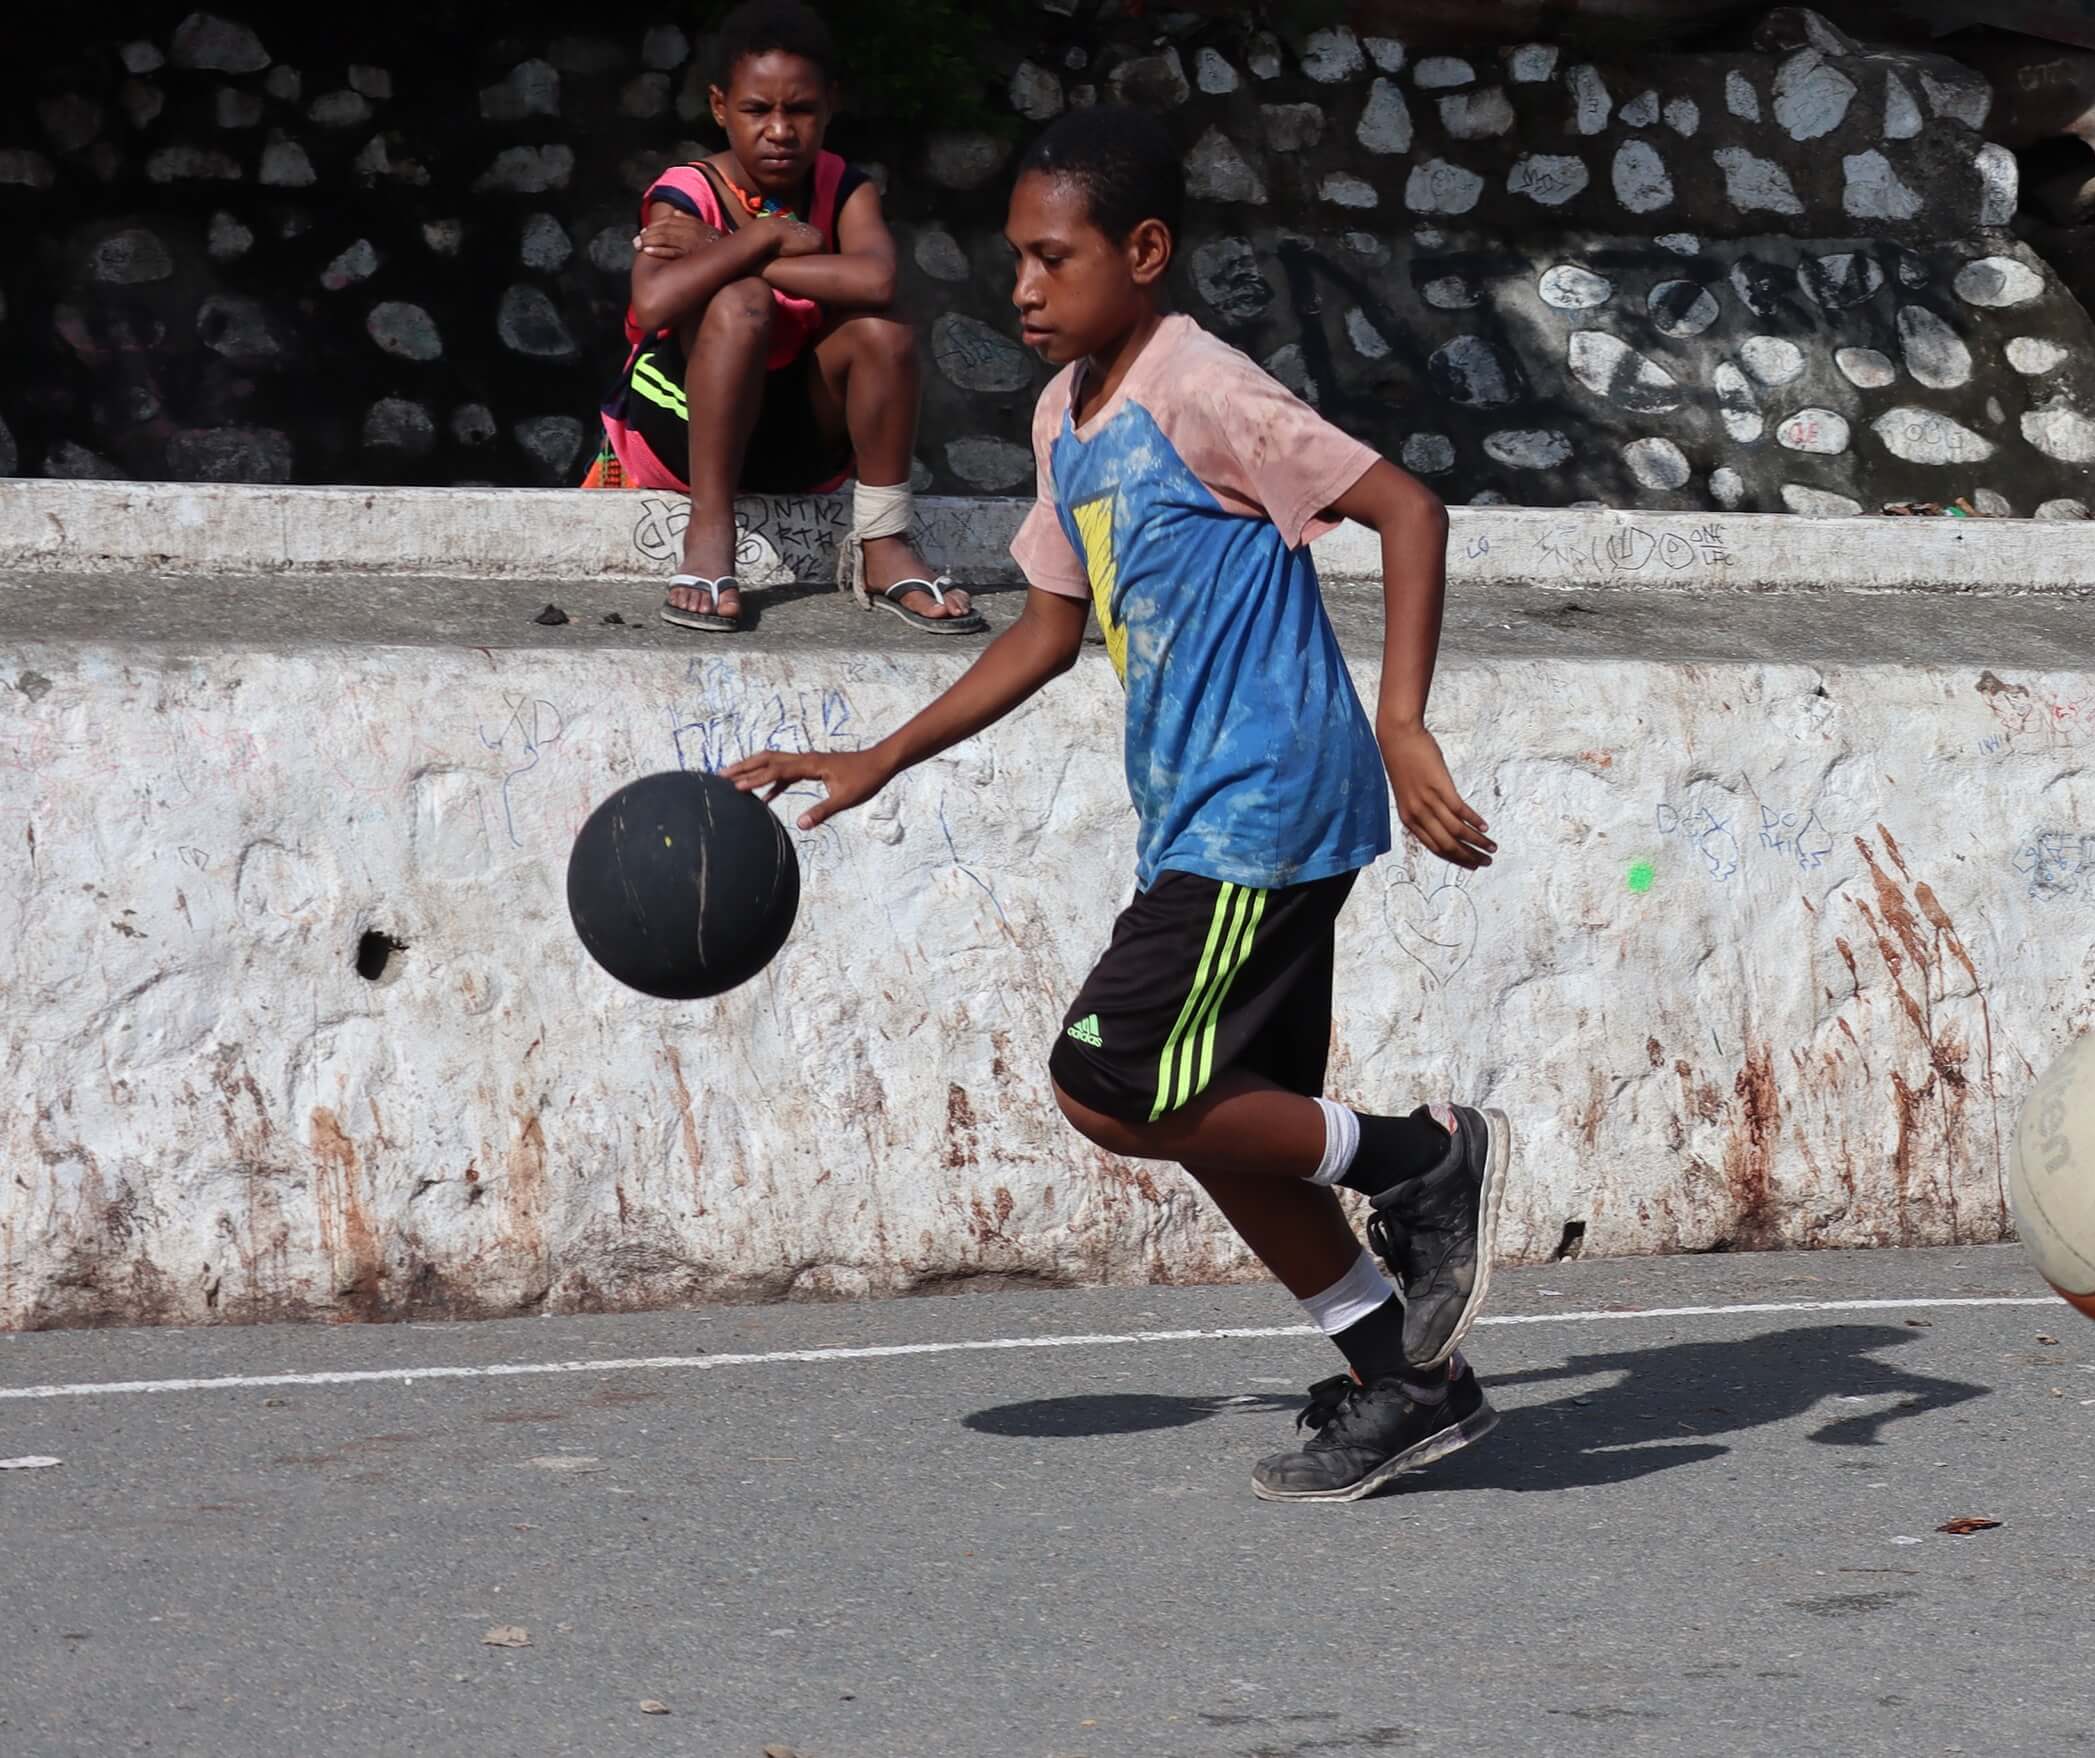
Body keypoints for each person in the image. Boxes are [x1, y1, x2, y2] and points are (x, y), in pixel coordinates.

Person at [726, 104, 1513, 1503]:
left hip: (1266, 810)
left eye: (1053, 257)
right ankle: (1408, 1380)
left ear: (1144, 251)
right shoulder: (1066, 418)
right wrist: (875, 758)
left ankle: (1423, 1159)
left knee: (1108, 1081)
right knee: (1211, 1110)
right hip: (1204, 819)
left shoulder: (1201, 389)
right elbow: (1044, 631)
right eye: (1014, 260)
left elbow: (1408, 510)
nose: (1022, 288)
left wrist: (1401, 721)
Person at [590, 0, 982, 636]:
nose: (780, 130)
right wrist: (762, 242)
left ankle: (883, 541)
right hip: (687, 432)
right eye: (756, 110)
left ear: (830, 104)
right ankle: (710, 533)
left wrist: (728, 248)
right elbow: (652, 304)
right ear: (720, 107)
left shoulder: (843, 187)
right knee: (739, 303)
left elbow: (875, 279)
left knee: (882, 330)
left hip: (798, 442)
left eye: (799, 109)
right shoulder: (685, 191)